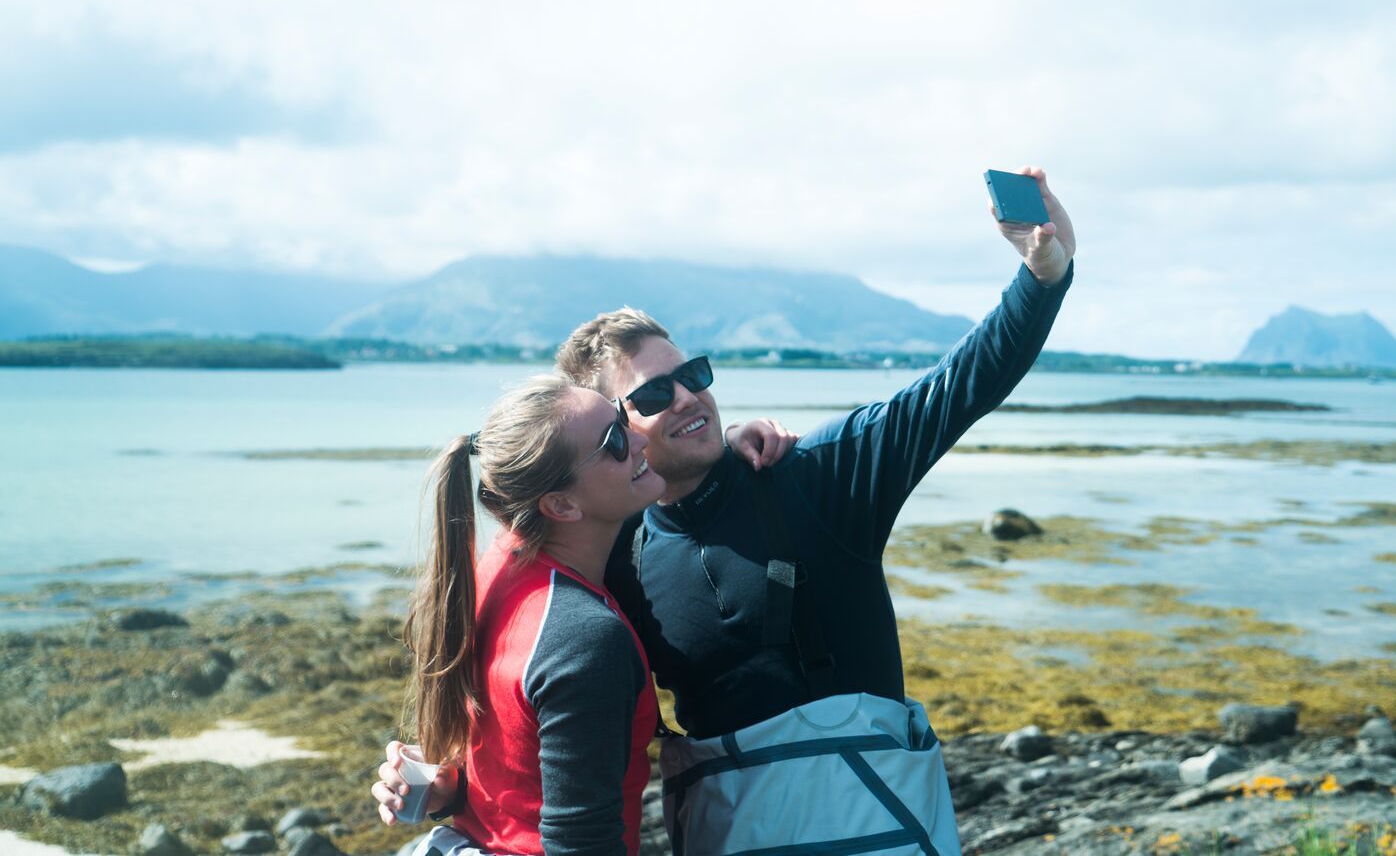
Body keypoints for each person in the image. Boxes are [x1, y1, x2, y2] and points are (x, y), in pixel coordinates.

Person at [380, 167, 1075, 848]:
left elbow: (957, 387)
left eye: (693, 375)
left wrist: (1043, 279)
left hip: (873, 823)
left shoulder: (820, 476)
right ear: (612, 431)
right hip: (725, 829)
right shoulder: (610, 549)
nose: (686, 397)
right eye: (651, 399)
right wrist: (453, 785)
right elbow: (541, 718)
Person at [385, 374, 797, 856]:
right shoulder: (583, 640)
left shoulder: (492, 572)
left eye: (622, 418)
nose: (640, 437)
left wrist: (448, 788)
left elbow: (511, 753)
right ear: (560, 504)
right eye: (614, 441)